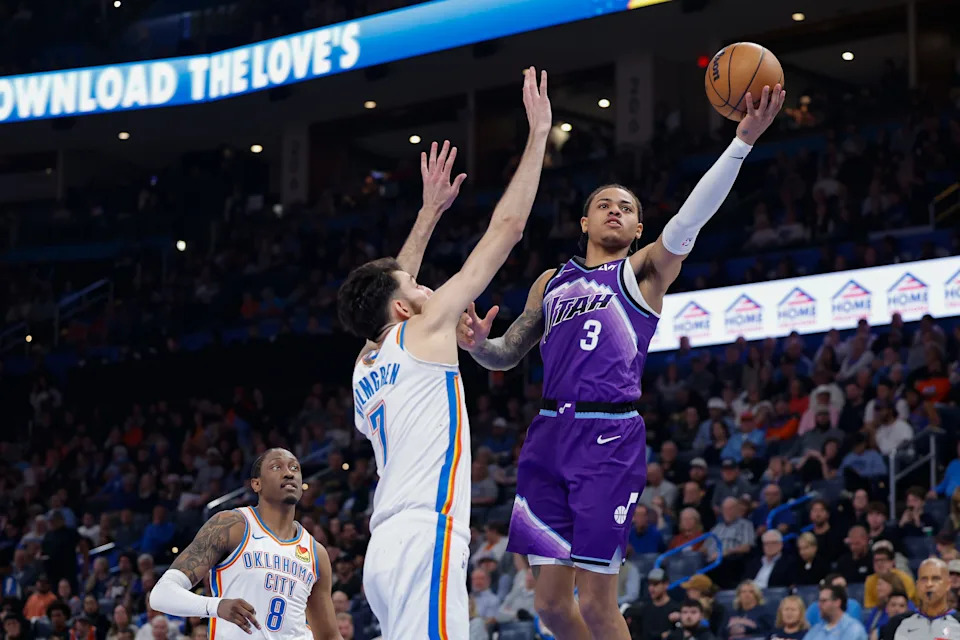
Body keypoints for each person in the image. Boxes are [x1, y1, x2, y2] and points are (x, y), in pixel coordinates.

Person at [458, 79, 784, 639]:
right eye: (603, 205)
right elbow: (508, 354)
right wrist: (476, 346)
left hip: (608, 437)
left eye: (626, 208)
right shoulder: (551, 281)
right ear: (583, 223)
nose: (614, 210)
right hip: (547, 436)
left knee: (597, 603)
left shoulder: (644, 273)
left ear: (637, 229)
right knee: (552, 608)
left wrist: (741, 143)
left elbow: (689, 219)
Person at [337, 67, 552, 640]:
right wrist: (538, 137)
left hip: (384, 550)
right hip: (422, 539)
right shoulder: (420, 328)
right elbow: (506, 230)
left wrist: (429, 213)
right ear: (406, 312)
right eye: (418, 291)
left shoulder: (365, 365)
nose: (428, 288)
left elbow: (389, 288)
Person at [148, 448, 341, 640]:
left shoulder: (316, 552)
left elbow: (329, 636)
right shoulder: (231, 526)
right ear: (256, 484)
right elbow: (161, 594)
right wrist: (216, 606)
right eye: (276, 467)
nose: (289, 473)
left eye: (294, 468)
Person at [881, 559, 960, 640]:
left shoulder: (958, 622)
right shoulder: (897, 623)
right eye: (924, 579)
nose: (929, 584)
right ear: (917, 585)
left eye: (935, 579)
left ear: (948, 584)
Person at [624, 569, 681, 640]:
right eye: (649, 584)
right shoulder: (643, 608)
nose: (651, 588)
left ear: (666, 584)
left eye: (655, 584)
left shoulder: (675, 609)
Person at [863, 573, 909, 640]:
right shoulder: (877, 609)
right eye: (893, 605)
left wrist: (879, 631)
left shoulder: (907, 602)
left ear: (891, 584)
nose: (878, 588)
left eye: (880, 584)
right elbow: (868, 630)